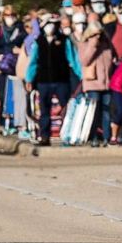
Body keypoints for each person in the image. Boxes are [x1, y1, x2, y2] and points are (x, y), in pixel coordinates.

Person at [23, 14, 81, 146]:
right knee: (44, 111)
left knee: (66, 108)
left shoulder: (64, 40)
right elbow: (33, 62)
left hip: (61, 80)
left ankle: (67, 134)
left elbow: (73, 59)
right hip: (43, 81)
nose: (50, 26)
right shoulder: (39, 42)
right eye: (48, 24)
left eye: (53, 24)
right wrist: (29, 78)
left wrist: (80, 75)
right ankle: (44, 136)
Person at [75, 20, 114, 146]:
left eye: (100, 34)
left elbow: (110, 59)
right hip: (93, 84)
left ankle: (106, 137)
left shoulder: (106, 44)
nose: (98, 37)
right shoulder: (85, 43)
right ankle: (93, 136)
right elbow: (84, 61)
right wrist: (93, 44)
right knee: (94, 112)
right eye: (95, 34)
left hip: (106, 83)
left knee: (106, 112)